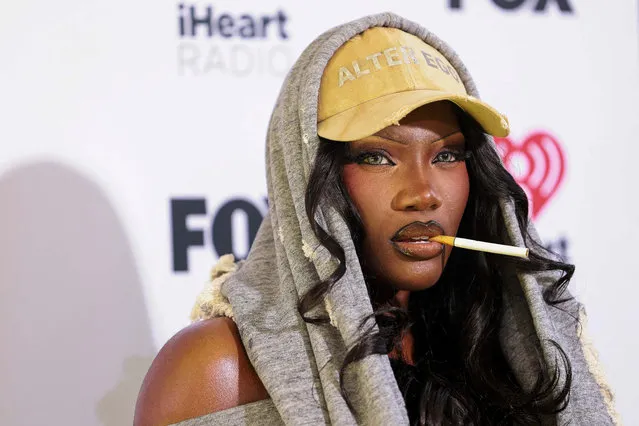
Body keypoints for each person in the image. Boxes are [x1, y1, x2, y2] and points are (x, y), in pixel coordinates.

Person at [134, 12, 619, 425]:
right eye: (377, 158)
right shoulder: (217, 370)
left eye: (448, 156)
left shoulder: (524, 350)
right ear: (307, 175)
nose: (423, 194)